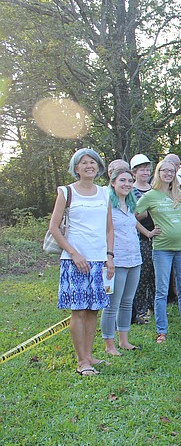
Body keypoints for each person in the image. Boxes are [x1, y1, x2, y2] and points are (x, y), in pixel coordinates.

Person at [48, 148, 113, 375]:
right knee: (79, 310)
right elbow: (54, 228)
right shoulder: (66, 192)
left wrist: (110, 256)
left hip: (98, 260)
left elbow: (108, 229)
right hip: (74, 260)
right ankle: (81, 362)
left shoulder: (105, 193)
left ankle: (89, 355)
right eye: (83, 163)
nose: (89, 166)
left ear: (98, 167)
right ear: (76, 168)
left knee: (94, 309)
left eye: (93, 162)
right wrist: (74, 254)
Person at [136, 160, 181, 343]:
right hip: (162, 249)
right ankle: (162, 331)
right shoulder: (151, 196)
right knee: (162, 290)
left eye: (171, 171)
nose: (168, 173)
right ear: (158, 173)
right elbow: (133, 215)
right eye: (164, 170)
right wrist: (148, 232)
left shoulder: (179, 194)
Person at [102, 168, 152, 355]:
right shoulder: (107, 205)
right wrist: (109, 257)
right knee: (112, 304)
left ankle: (124, 340)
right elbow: (105, 232)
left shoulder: (131, 204)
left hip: (134, 258)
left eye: (130, 181)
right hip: (116, 260)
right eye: (122, 180)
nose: (127, 184)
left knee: (127, 301)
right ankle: (109, 345)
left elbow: (135, 226)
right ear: (113, 183)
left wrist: (148, 233)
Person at [130, 153, 155, 325]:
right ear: (134, 173)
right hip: (141, 238)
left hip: (158, 237)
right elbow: (130, 217)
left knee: (156, 275)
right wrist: (148, 211)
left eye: (147, 169)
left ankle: (154, 307)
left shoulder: (155, 189)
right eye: (141, 170)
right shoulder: (131, 191)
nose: (145, 173)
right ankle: (139, 311)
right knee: (142, 275)